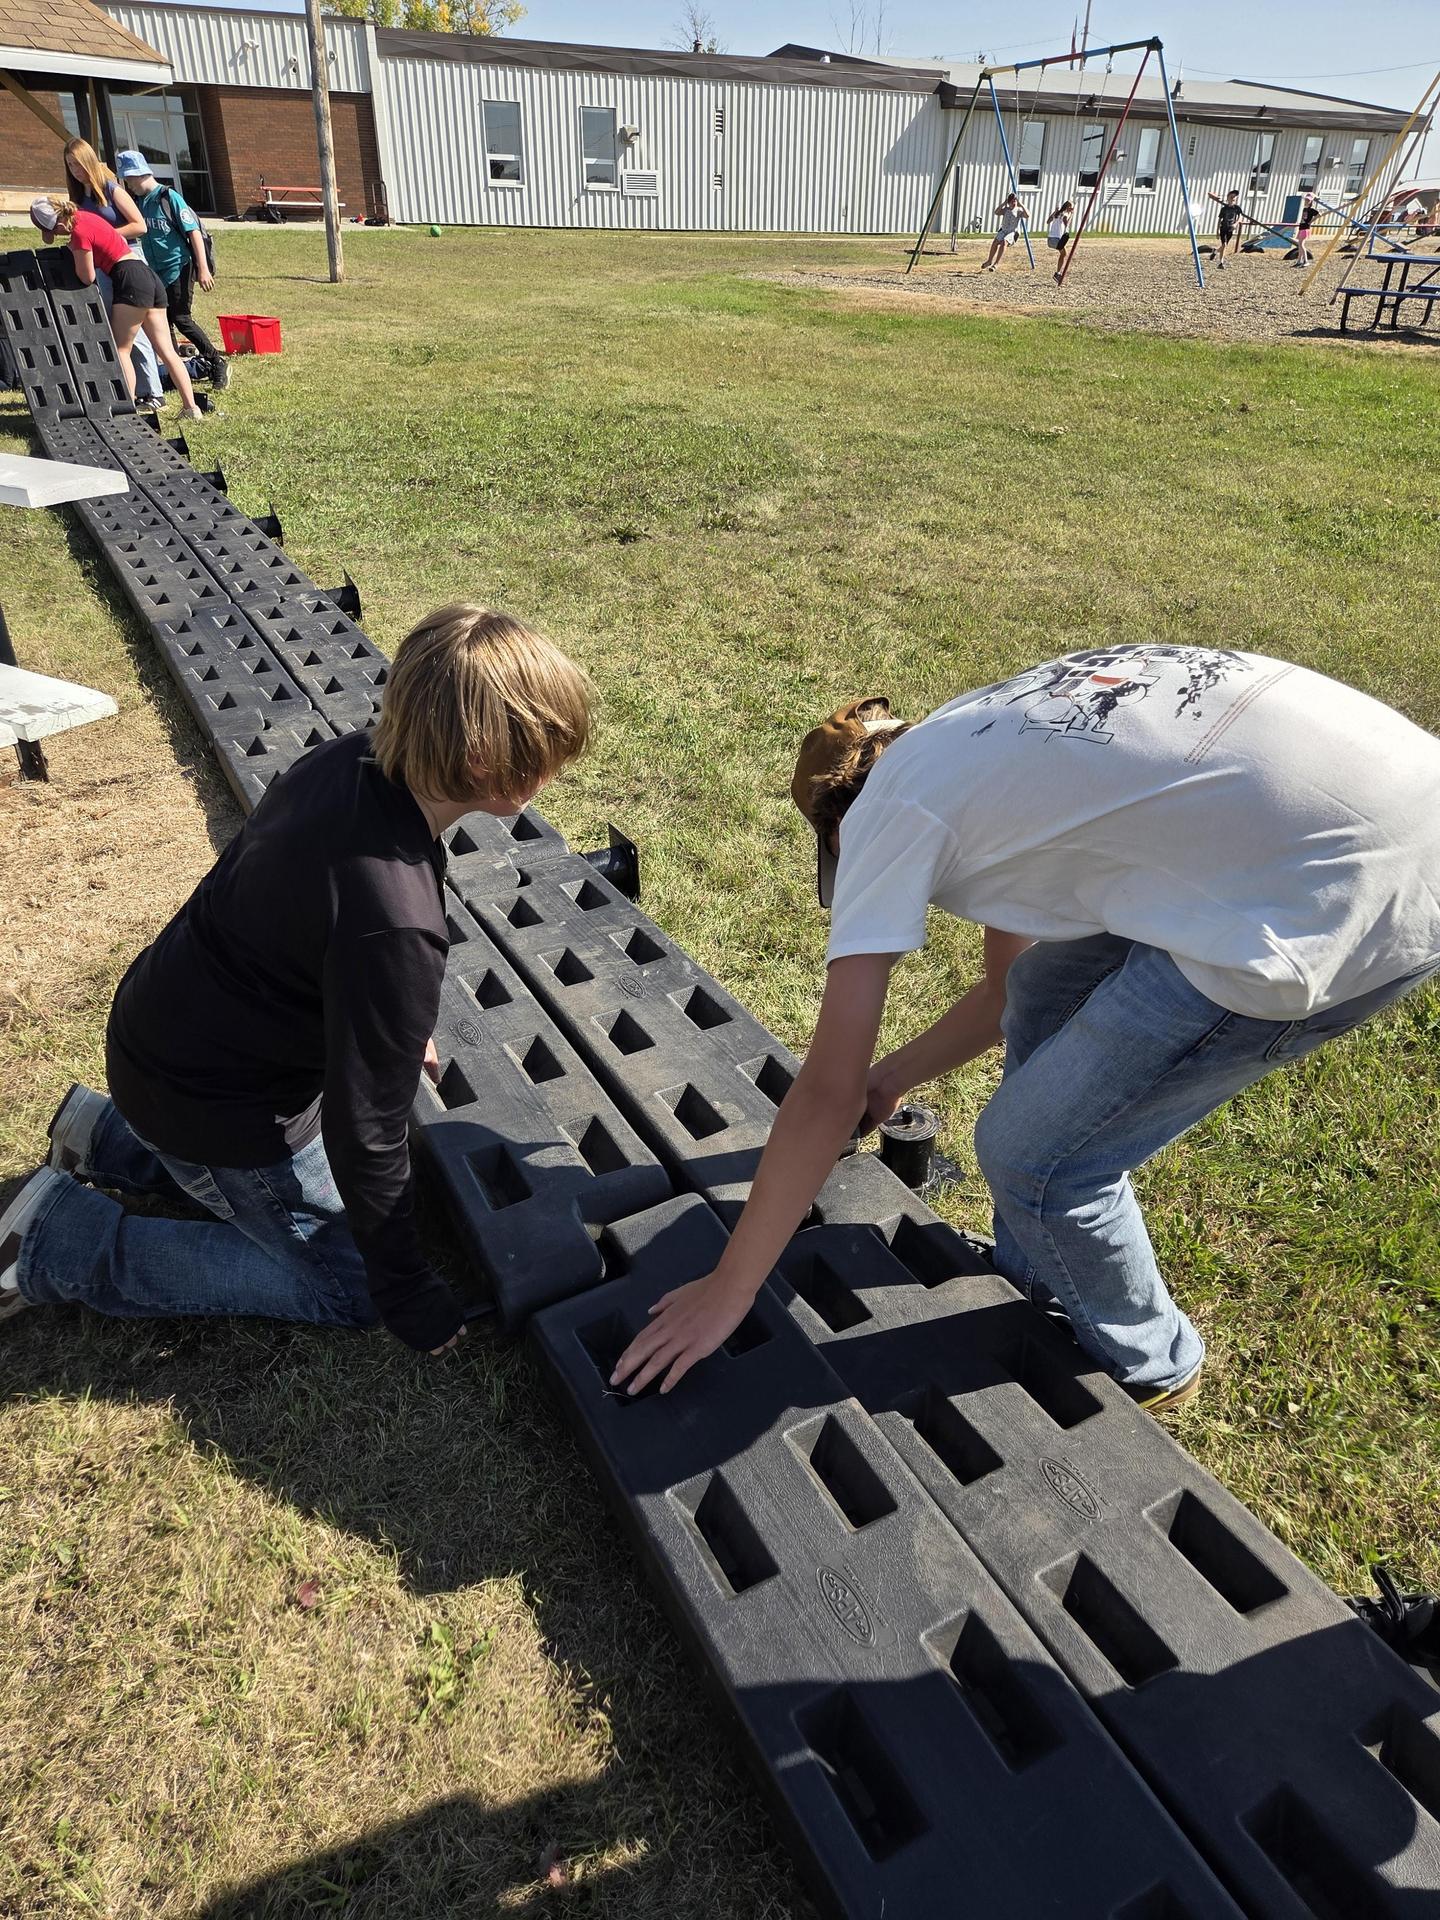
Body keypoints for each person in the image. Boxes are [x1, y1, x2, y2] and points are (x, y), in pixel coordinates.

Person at [609, 646, 1440, 1411]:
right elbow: (1010, 990)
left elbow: (824, 1091)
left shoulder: (880, 820)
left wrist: (729, 1289)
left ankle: (1151, 1364)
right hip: (1377, 808)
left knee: (1033, 1159)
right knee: (1049, 986)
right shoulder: (974, 744)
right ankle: (1037, 1275)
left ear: (837, 828)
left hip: (1335, 901)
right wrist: (893, 1076)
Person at [0, 608, 594, 1351]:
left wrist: (382, 1014)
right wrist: (406, 1293)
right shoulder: (395, 916)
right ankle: (57, 1241)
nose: (555, 769)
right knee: (345, 1288)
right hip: (224, 1113)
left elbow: (288, 914)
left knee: (227, 1157)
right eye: (546, 752)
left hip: (157, 1037)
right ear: (481, 762)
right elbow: (368, 1134)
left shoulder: (347, 761)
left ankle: (106, 1137)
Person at [27, 196, 201, 421]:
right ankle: (191, 408)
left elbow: (87, 277)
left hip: (128, 278)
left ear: (58, 224)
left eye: (54, 232)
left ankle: (125, 410)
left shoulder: (78, 232)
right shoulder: (87, 217)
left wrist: (75, 254)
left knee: (121, 350)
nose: (58, 236)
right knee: (167, 351)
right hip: (147, 274)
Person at [61, 136, 163, 413]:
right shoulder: (77, 199)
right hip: (103, 266)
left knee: (136, 330)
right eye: (70, 165)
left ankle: (151, 391)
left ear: (91, 161)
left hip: (128, 259)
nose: (75, 170)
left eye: (79, 164)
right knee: (118, 328)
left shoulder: (112, 189)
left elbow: (139, 225)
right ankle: (130, 387)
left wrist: (104, 237)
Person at [117, 150, 230, 392]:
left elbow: (194, 232)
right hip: (154, 272)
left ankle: (216, 362)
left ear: (140, 174)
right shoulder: (137, 202)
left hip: (179, 265)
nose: (128, 185)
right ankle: (174, 372)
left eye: (129, 179)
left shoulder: (169, 197)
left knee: (181, 318)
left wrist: (202, 268)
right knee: (161, 322)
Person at [982, 194, 1029, 271]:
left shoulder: (1018, 210)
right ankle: (989, 261)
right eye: (1011, 201)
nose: (1013, 203)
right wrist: (1003, 204)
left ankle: (996, 264)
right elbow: (996, 212)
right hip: (1003, 230)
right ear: (1009, 202)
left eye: (1015, 201)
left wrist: (1022, 205)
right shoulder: (1006, 209)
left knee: (1004, 242)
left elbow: (1027, 215)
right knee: (995, 242)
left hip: (1012, 232)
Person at [1046, 200, 1075, 280]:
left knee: (1063, 253)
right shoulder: (1065, 214)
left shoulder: (1057, 213)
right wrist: (1072, 215)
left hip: (1050, 239)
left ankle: (1058, 273)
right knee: (1064, 254)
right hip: (1056, 239)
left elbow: (1048, 222)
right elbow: (1067, 225)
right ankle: (1057, 274)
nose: (1072, 209)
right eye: (1072, 207)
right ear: (1068, 207)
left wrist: (1054, 213)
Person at [1216, 189, 1244, 268]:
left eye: (1235, 197)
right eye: (1231, 196)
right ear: (1228, 198)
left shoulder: (1237, 208)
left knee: (1224, 246)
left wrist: (1236, 224)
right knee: (1224, 245)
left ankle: (1215, 251)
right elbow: (1219, 219)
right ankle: (1220, 263)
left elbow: (1240, 217)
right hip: (1223, 228)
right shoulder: (1224, 209)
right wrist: (1217, 231)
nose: (1233, 198)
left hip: (1230, 229)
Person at [1293, 191, 1319, 267]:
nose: (1306, 201)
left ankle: (1306, 261)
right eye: (1306, 200)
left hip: (1306, 228)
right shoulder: (1304, 209)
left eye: (1308, 200)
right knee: (1300, 245)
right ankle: (1299, 261)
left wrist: (1311, 222)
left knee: (1301, 245)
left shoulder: (1311, 209)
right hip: (1302, 227)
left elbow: (1319, 214)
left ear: (1311, 201)